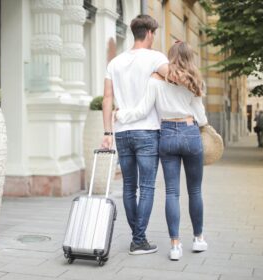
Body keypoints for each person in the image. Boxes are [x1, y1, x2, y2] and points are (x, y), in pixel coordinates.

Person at [115, 41, 209, 261]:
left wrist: (121, 115)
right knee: (195, 191)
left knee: (172, 193)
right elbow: (202, 117)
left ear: (169, 58)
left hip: (166, 135)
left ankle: (175, 246)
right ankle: (198, 239)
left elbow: (142, 110)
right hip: (190, 131)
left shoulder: (156, 81)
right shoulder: (194, 81)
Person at [101, 14, 169, 255]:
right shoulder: (156, 58)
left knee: (130, 187)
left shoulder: (115, 62)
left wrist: (108, 131)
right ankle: (138, 240)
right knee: (147, 187)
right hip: (148, 131)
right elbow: (175, 78)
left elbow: (107, 98)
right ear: (150, 32)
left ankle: (137, 236)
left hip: (122, 131)